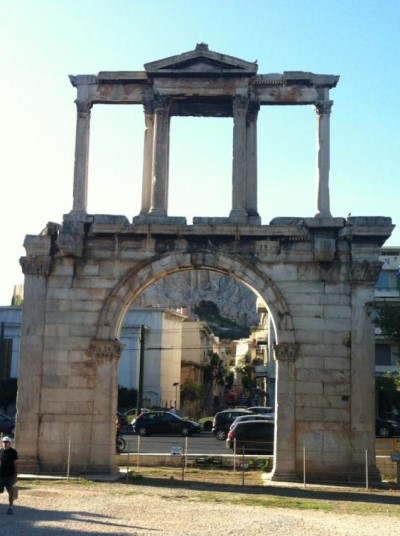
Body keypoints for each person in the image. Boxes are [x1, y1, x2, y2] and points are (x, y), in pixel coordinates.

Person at [0, 436, 18, 515]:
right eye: (3, 442)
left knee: (11, 492)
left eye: (6, 442)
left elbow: (16, 464)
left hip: (10, 475)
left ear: (10, 443)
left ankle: (10, 507)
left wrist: (15, 476)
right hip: (1, 475)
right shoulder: (0, 451)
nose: (5, 443)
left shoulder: (13, 452)